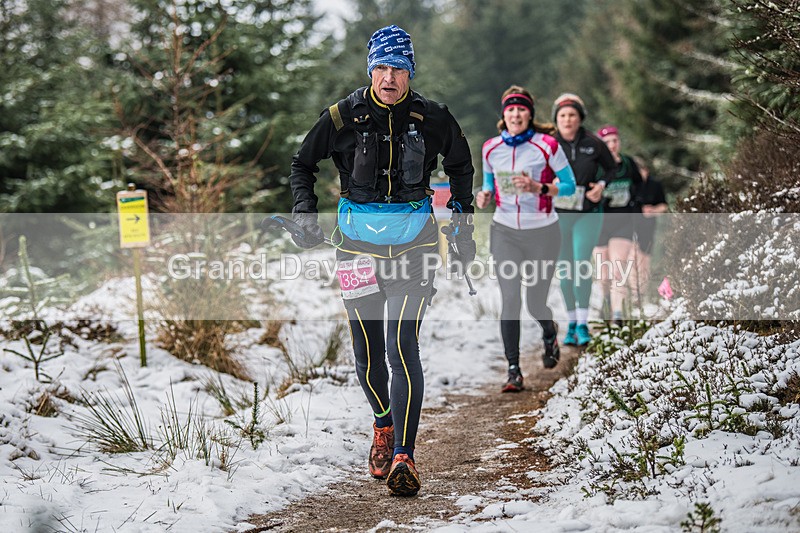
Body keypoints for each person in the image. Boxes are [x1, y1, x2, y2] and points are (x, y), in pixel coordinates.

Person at [288, 25, 475, 497]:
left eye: (398, 68)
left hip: (414, 248)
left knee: (401, 346)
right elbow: (301, 165)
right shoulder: (340, 117)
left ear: (410, 72)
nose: (389, 77)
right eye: (382, 67)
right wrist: (304, 212)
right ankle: (382, 424)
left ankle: (404, 456)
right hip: (355, 248)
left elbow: (460, 166)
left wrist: (462, 220)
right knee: (368, 354)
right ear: (371, 68)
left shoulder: (433, 117)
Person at [476, 86, 576, 392]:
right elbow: (488, 186)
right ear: (503, 115)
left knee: (534, 302)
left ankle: (549, 330)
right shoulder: (491, 148)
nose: (516, 114)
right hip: (504, 230)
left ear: (529, 114)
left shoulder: (547, 145)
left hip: (543, 231)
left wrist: (539, 188)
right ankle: (513, 370)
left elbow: (571, 186)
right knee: (510, 299)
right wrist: (484, 196)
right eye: (510, 109)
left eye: (521, 109)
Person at [551, 93, 616, 346]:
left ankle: (583, 324)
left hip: (588, 212)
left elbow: (611, 168)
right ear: (556, 119)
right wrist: (548, 183)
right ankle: (570, 324)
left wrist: (601, 185)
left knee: (581, 264)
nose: (567, 120)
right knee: (565, 272)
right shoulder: (549, 143)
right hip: (558, 214)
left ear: (580, 118)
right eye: (563, 115)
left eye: (572, 115)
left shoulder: (593, 143)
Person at [593, 125, 643, 325]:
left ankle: (617, 313)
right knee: (603, 275)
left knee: (617, 268)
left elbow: (640, 185)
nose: (612, 145)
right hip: (599, 223)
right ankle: (606, 299)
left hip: (623, 223)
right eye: (607, 142)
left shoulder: (628, 164)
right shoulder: (595, 167)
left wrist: (637, 205)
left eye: (615, 140)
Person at [630, 156, 668, 304]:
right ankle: (634, 293)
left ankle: (641, 295)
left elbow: (664, 205)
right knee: (633, 260)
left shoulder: (655, 185)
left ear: (646, 170)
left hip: (648, 226)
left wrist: (653, 210)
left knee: (645, 260)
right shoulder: (632, 185)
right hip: (631, 225)